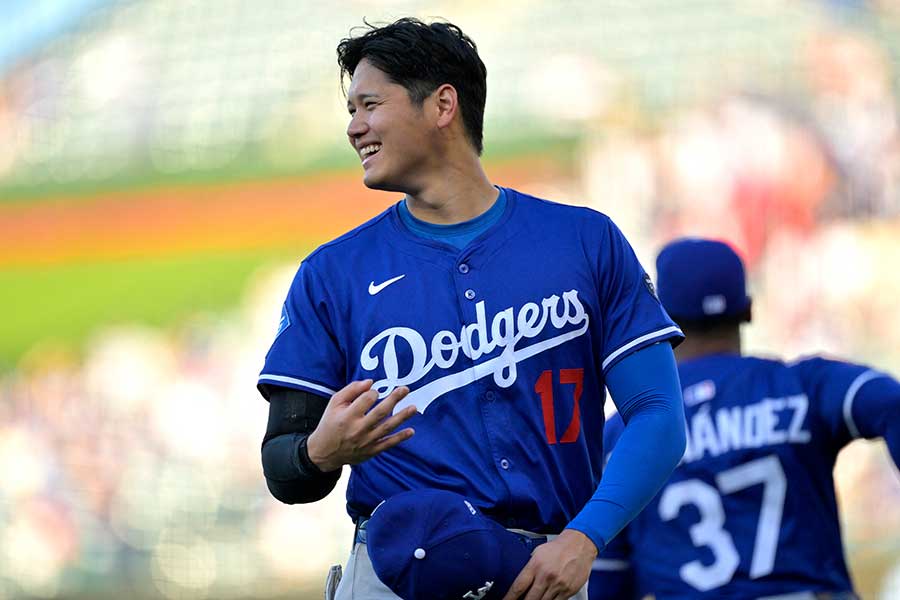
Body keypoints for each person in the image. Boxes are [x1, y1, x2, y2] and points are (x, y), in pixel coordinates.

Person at [257, 18, 687, 600]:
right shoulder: (331, 274)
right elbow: (283, 468)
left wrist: (587, 537)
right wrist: (320, 452)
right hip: (397, 579)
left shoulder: (584, 241)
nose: (355, 128)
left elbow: (658, 411)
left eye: (370, 104)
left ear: (442, 105)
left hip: (546, 574)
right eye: (351, 110)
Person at [589, 237, 900, 600]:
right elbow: (889, 403)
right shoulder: (802, 386)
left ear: (661, 316)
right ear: (749, 309)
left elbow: (606, 581)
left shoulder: (622, 435)